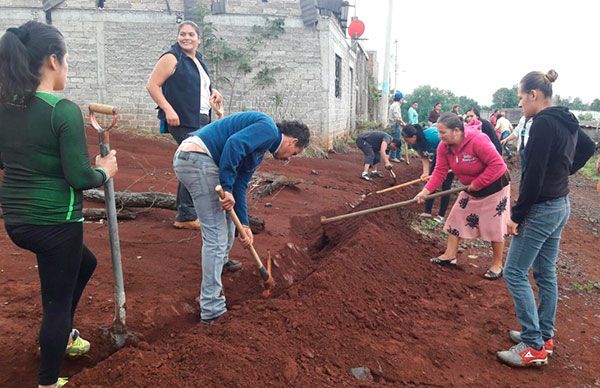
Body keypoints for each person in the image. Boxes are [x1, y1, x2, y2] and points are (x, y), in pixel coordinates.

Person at [0, 21, 118, 388]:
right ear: (52, 60)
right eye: (66, 59)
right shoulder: (62, 110)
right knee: (56, 300)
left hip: (17, 220)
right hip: (56, 222)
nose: (68, 67)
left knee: (86, 262)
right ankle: (48, 380)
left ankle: (63, 330)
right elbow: (80, 178)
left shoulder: (5, 106)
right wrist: (105, 170)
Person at [497, 70, 595, 368]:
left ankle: (533, 345)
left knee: (514, 272)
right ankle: (544, 335)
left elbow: (535, 176)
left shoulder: (541, 124)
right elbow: (589, 147)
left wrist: (516, 215)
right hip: (560, 204)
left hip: (540, 208)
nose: (520, 104)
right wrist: (563, 172)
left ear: (534, 95)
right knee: (545, 272)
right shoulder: (566, 119)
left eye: (520, 98)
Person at [172, 112, 310, 323]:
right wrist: (226, 187)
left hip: (198, 160)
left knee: (229, 222)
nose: (289, 159)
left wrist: (244, 224)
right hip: (197, 160)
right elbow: (233, 145)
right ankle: (212, 309)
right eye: (294, 153)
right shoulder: (269, 129)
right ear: (293, 141)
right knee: (216, 237)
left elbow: (241, 184)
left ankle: (222, 262)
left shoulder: (260, 147)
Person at [147, 20, 223, 231]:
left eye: (191, 34)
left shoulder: (197, 59)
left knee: (194, 160)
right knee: (196, 160)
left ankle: (187, 211)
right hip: (181, 120)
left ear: (199, 39)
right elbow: (152, 85)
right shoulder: (172, 57)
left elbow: (199, 86)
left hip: (200, 118)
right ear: (178, 36)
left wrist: (213, 92)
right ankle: (186, 214)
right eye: (183, 34)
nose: (186, 38)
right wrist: (168, 109)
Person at [414, 113, 509, 280]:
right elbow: (440, 172)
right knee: (456, 217)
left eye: (443, 132)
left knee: (494, 225)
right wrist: (425, 191)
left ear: (457, 131)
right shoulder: (444, 147)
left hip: (495, 187)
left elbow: (498, 165)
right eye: (439, 132)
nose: (440, 136)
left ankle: (497, 264)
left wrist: (478, 183)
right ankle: (450, 254)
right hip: (471, 189)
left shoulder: (477, 140)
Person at [402, 124, 455, 223]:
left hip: (450, 155)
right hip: (438, 157)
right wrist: (425, 173)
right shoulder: (414, 143)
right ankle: (427, 212)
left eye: (406, 139)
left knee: (446, 185)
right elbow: (423, 156)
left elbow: (451, 145)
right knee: (430, 181)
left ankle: (441, 216)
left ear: (413, 137)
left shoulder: (433, 136)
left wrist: (453, 164)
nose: (405, 142)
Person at [388, 91, 405, 163]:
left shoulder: (395, 105)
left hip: (396, 125)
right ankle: (393, 156)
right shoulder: (396, 105)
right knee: (396, 140)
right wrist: (403, 123)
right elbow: (397, 117)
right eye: (402, 99)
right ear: (400, 99)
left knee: (399, 140)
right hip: (395, 125)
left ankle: (398, 155)